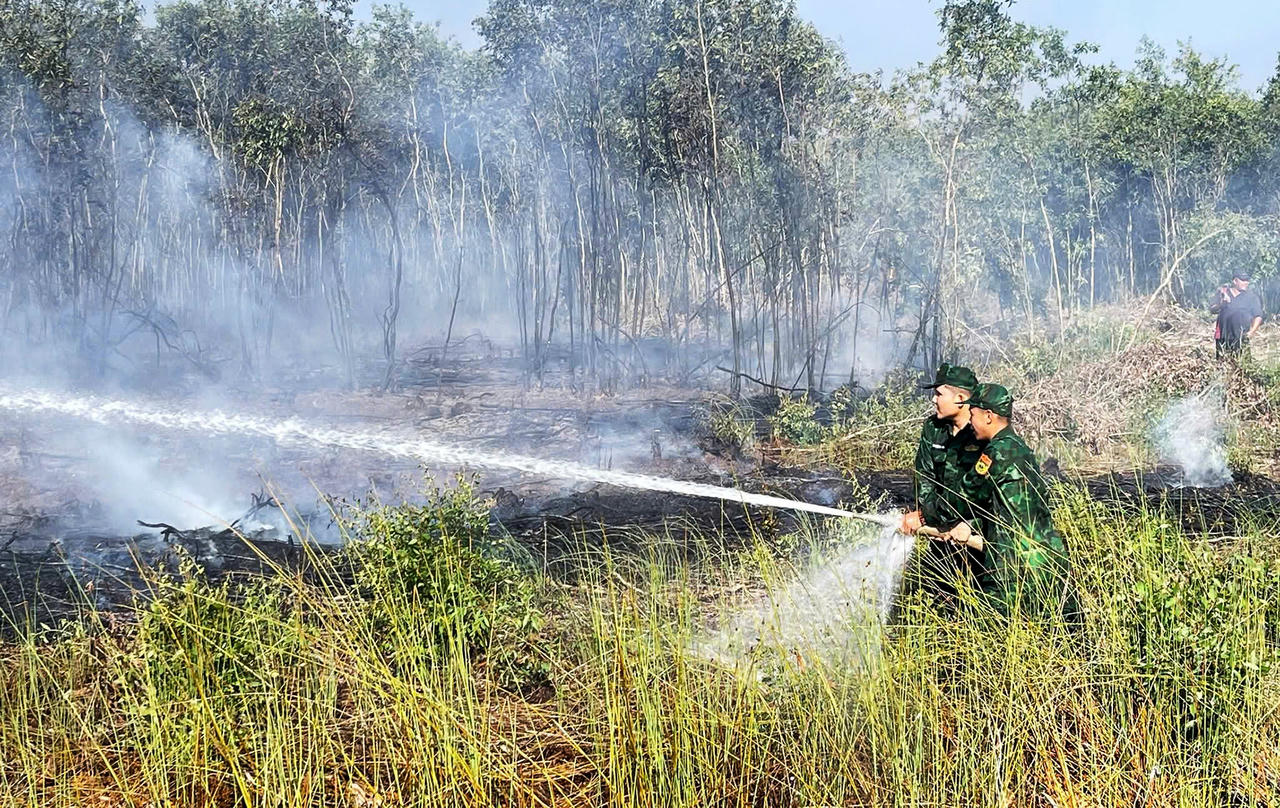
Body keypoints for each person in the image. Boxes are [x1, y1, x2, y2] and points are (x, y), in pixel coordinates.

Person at [948, 382, 1072, 619]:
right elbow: (1006, 502)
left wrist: (921, 517)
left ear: (988, 416)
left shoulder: (996, 452)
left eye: (972, 415)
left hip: (1013, 566)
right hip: (1050, 560)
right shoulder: (1020, 448)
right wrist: (970, 524)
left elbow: (962, 496)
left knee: (988, 636)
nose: (969, 422)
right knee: (1062, 634)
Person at [900, 363, 986, 597]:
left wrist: (970, 524)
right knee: (932, 595)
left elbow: (992, 492)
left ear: (959, 398)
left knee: (979, 603)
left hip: (978, 536)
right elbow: (924, 477)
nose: (933, 400)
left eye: (939, 394)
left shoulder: (984, 432)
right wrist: (927, 515)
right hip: (940, 531)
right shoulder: (933, 428)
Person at [1211, 270, 1262, 358]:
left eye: (1247, 280)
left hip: (1241, 337)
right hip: (1223, 337)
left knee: (1242, 365)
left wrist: (1252, 332)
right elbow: (1212, 309)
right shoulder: (1223, 293)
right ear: (1235, 281)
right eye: (1243, 280)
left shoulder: (1251, 297)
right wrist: (1221, 303)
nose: (1246, 283)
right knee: (1223, 364)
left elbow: (1258, 316)